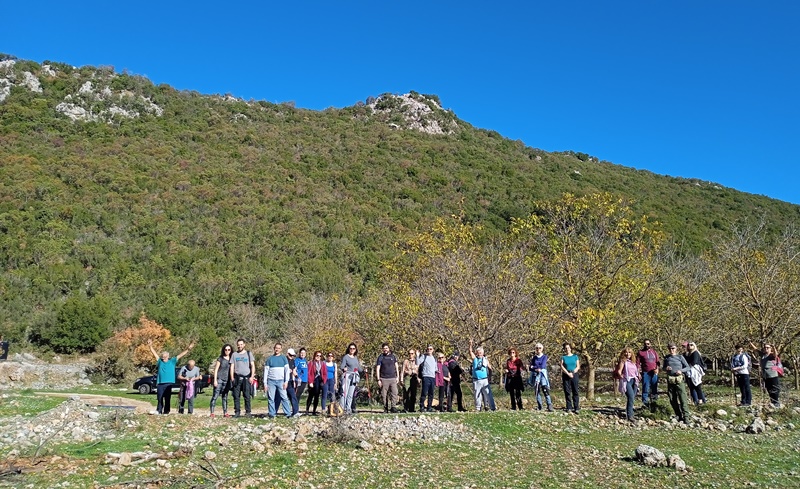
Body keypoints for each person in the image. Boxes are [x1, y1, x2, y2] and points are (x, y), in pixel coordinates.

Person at [146, 339, 194, 415]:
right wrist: (150, 346)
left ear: (168, 356)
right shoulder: (160, 361)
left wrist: (188, 349)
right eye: (163, 357)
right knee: (159, 397)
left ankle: (166, 411)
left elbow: (181, 355)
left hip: (168, 383)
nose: (163, 358)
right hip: (160, 382)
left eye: (165, 357)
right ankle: (159, 410)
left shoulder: (172, 361)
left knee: (167, 398)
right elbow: (154, 353)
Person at [663, 343, 691, 423]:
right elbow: (663, 368)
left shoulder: (680, 357)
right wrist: (666, 368)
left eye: (673, 348)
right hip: (670, 380)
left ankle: (686, 417)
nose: (671, 350)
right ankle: (678, 415)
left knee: (683, 398)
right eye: (670, 348)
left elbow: (687, 367)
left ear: (676, 348)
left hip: (679, 380)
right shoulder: (667, 358)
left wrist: (681, 371)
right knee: (672, 399)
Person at [263, 342, 293, 418]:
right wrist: (265, 383)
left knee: (284, 397)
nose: (277, 349)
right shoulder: (269, 359)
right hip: (271, 381)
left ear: (281, 349)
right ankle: (272, 414)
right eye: (276, 348)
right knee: (271, 398)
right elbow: (266, 371)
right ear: (274, 348)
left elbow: (286, 371)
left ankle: (288, 413)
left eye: (279, 348)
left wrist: (286, 381)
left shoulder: (284, 359)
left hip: (281, 381)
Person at [231, 338, 256, 417]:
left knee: (247, 396)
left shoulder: (248, 354)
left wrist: (252, 376)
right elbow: (232, 366)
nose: (240, 346)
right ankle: (237, 412)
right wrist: (232, 377)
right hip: (237, 377)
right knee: (236, 396)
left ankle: (248, 412)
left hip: (246, 378)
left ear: (244, 345)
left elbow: (252, 365)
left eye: (241, 344)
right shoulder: (234, 354)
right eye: (238, 345)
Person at [210, 344, 234, 417]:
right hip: (219, 379)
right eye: (225, 349)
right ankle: (212, 412)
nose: (227, 351)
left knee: (225, 397)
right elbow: (216, 369)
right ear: (223, 350)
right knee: (215, 396)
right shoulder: (220, 358)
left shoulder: (232, 359)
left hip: (227, 380)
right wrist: (215, 380)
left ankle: (225, 412)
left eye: (229, 349)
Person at [615, 347, 639, 421]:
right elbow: (619, 370)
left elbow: (636, 371)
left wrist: (638, 375)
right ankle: (630, 415)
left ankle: (630, 412)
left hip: (634, 380)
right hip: (627, 380)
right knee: (631, 396)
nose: (627, 354)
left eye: (629, 352)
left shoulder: (633, 362)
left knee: (632, 398)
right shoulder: (623, 361)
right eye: (626, 352)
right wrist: (621, 376)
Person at [469, 340, 493, 412]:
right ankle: (478, 408)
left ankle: (492, 407)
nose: (479, 354)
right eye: (478, 353)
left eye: (481, 353)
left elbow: (490, 367)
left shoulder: (485, 359)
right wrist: (470, 345)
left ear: (483, 353)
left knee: (488, 394)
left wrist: (490, 376)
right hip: (476, 379)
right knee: (477, 395)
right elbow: (470, 352)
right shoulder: (475, 359)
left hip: (484, 379)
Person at [635, 339, 660, 410]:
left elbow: (658, 362)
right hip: (646, 373)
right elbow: (637, 363)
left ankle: (655, 404)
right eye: (645, 344)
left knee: (654, 388)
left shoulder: (654, 352)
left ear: (650, 344)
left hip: (654, 372)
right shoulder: (641, 352)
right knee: (645, 388)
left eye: (648, 343)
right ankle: (645, 404)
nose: (647, 345)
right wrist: (638, 372)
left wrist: (657, 369)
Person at [376, 343, 400, 413]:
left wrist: (397, 376)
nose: (385, 349)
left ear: (389, 349)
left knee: (394, 393)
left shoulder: (393, 356)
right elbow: (378, 368)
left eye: (386, 348)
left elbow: (397, 367)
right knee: (384, 394)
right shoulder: (380, 357)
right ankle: (385, 407)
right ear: (382, 349)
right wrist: (378, 379)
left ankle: (393, 407)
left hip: (393, 378)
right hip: (384, 378)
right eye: (384, 348)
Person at [530, 343, 553, 412]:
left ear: (542, 349)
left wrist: (534, 367)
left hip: (542, 375)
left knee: (545, 389)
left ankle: (549, 405)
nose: (538, 349)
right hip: (535, 375)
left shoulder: (544, 357)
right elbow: (530, 367)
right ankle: (540, 406)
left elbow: (542, 366)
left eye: (540, 348)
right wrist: (535, 368)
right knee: (537, 390)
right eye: (537, 348)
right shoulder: (534, 358)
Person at [341, 343, 362, 415]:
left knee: (350, 394)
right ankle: (342, 408)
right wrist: (344, 368)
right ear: (348, 349)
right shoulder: (346, 357)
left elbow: (359, 368)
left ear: (355, 349)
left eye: (353, 348)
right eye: (351, 348)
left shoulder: (355, 357)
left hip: (354, 376)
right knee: (345, 393)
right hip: (347, 375)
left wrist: (364, 370)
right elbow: (342, 366)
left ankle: (348, 409)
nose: (352, 350)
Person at [683, 341, 707, 406]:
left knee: (697, 386)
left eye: (691, 345)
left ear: (694, 346)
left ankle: (701, 400)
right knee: (692, 387)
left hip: (695, 371)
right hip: (690, 372)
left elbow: (694, 362)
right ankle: (696, 401)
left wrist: (687, 367)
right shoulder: (688, 354)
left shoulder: (695, 353)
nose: (690, 346)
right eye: (689, 345)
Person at [560, 343, 580, 414]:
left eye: (568, 347)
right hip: (566, 374)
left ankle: (576, 407)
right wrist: (568, 373)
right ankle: (569, 407)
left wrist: (574, 372)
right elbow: (561, 366)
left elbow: (578, 366)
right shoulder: (563, 357)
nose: (567, 349)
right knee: (567, 391)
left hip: (574, 374)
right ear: (564, 349)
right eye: (565, 348)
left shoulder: (575, 356)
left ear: (570, 348)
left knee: (575, 391)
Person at [416, 346, 437, 412]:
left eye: (430, 349)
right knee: (424, 392)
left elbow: (435, 368)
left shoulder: (434, 358)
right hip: (426, 376)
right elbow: (418, 363)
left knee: (431, 393)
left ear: (433, 350)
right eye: (428, 349)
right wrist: (417, 356)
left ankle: (429, 407)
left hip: (432, 377)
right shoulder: (424, 356)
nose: (429, 350)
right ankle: (422, 406)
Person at [306, 350, 327, 415]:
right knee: (311, 395)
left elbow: (325, 373)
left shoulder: (322, 363)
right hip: (313, 380)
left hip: (319, 380)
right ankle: (307, 410)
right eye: (317, 355)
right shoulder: (311, 363)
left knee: (317, 396)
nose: (318, 357)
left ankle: (314, 411)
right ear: (314, 355)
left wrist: (324, 381)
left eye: (320, 356)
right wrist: (310, 382)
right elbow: (308, 373)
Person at [286, 348, 302, 417]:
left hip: (290, 381)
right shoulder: (284, 361)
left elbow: (293, 371)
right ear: (287, 354)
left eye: (293, 355)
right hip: (283, 381)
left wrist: (296, 377)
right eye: (290, 355)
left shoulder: (293, 361)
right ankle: (273, 413)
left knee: (293, 396)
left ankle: (295, 412)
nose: (292, 357)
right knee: (281, 398)